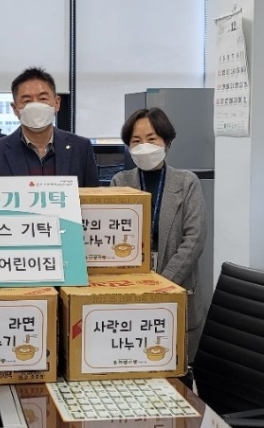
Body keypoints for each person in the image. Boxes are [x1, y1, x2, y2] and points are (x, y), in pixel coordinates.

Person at [111, 107, 207, 372]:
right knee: (132, 361)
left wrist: (162, 283)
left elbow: (194, 239)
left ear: (167, 142)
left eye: (151, 139)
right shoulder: (120, 182)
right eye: (136, 141)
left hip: (177, 288)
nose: (144, 146)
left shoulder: (187, 182)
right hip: (130, 292)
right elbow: (112, 241)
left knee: (176, 367)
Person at [0, 67, 99, 186]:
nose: (35, 105)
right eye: (27, 101)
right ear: (15, 109)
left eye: (42, 99)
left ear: (57, 103)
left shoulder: (81, 148)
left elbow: (94, 197)